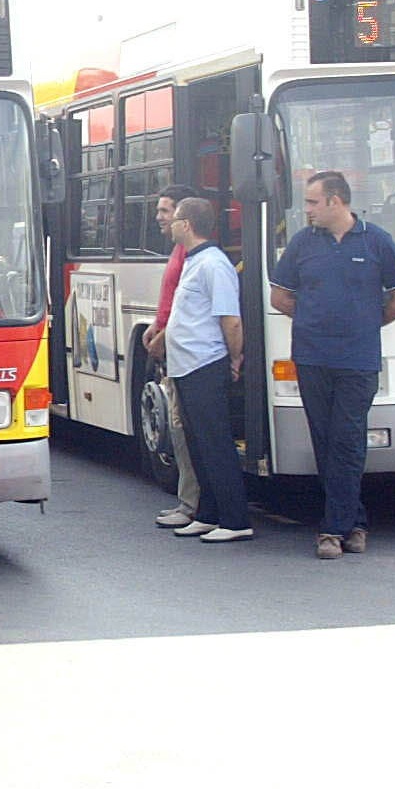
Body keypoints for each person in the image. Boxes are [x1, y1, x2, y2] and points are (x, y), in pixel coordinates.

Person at [271, 169, 395, 560]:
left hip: (358, 359)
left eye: (313, 202)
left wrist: (365, 322)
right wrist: (316, 318)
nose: (308, 210)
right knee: (325, 440)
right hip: (312, 357)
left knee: (348, 439)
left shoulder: (376, 240)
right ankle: (356, 522)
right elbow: (279, 298)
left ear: (336, 201)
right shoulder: (302, 244)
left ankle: (332, 530)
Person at [163, 197, 251, 544]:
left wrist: (234, 358)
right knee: (199, 444)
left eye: (174, 219)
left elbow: (230, 320)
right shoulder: (192, 261)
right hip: (186, 366)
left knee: (215, 444)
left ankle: (235, 518)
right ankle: (208, 513)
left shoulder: (214, 264)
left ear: (187, 225)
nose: (168, 224)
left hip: (205, 364)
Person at [142, 184, 203, 531]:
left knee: (183, 431)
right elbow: (171, 301)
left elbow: (187, 307)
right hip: (173, 348)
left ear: (184, 218)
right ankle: (188, 501)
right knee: (179, 432)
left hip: (184, 352)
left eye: (166, 211)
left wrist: (163, 335)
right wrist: (157, 325)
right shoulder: (180, 252)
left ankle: (192, 504)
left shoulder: (193, 256)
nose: (160, 217)